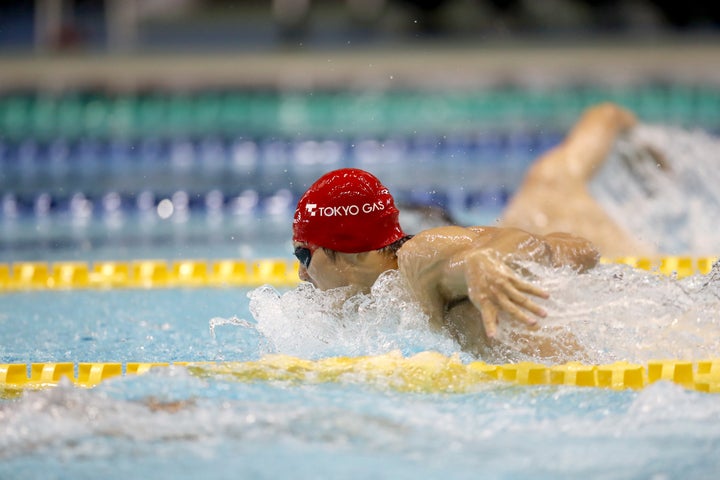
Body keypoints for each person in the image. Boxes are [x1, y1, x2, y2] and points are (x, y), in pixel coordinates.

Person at [292, 168, 599, 359]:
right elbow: (581, 249)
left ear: (352, 250)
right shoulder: (391, 293)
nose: (302, 273)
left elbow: (523, 247)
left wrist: (489, 259)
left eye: (304, 255)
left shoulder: (418, 258)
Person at [499, 102, 668, 257]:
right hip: (641, 264)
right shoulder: (552, 173)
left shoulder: (501, 247)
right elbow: (608, 114)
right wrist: (652, 157)